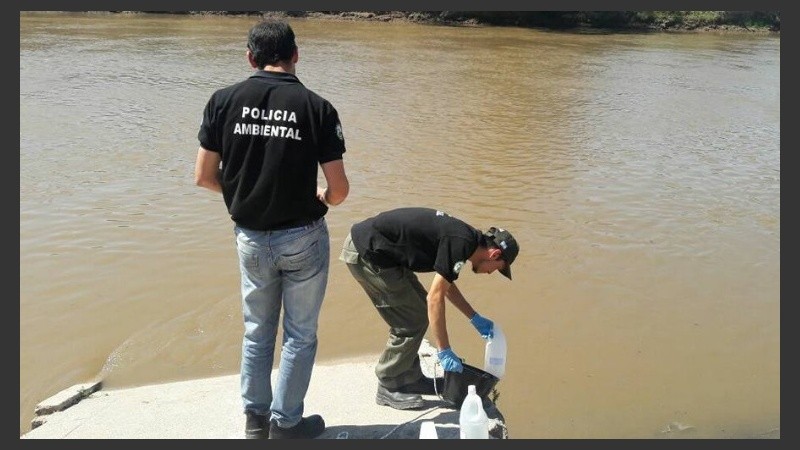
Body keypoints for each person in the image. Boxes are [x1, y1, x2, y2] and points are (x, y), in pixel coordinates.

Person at [194, 18, 349, 439]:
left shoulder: (222, 101)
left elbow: (205, 177)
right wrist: (322, 198)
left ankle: (255, 421)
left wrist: (247, 188)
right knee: (299, 336)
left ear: (250, 58)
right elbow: (339, 190)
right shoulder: (318, 107)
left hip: (249, 236)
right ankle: (287, 422)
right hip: (302, 236)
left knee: (257, 331)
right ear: (296, 55)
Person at [339, 207, 519, 410]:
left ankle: (409, 376)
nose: (490, 274)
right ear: (494, 254)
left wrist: (474, 317)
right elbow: (436, 298)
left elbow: (446, 286)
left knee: (419, 311)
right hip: (367, 252)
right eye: (497, 269)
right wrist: (444, 351)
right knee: (411, 320)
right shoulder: (461, 243)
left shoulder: (465, 241)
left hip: (386, 255)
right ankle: (388, 383)